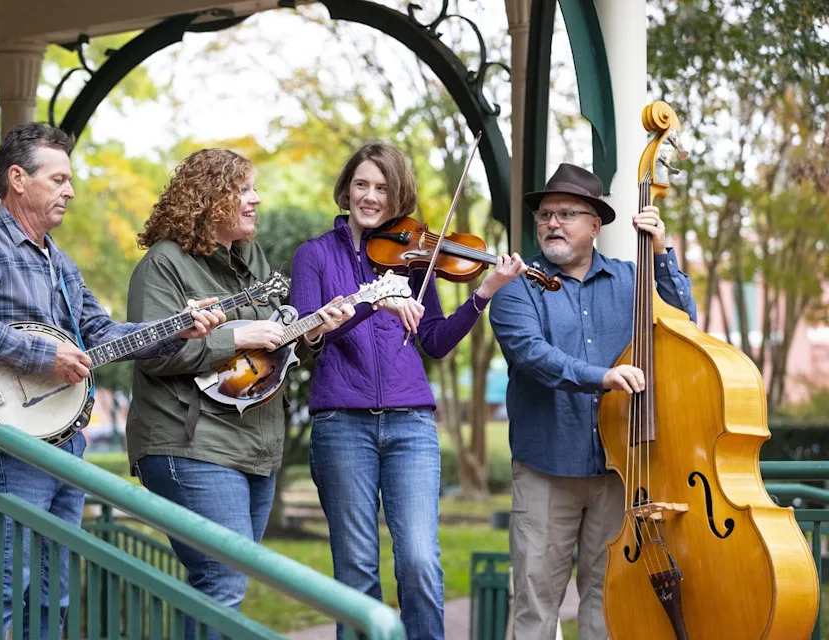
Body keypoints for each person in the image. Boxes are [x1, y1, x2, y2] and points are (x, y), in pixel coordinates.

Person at [0, 122, 223, 639]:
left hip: (68, 443)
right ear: (18, 178)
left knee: (52, 593)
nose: (70, 190)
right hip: (12, 446)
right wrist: (41, 355)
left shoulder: (62, 264)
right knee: (4, 585)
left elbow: (103, 333)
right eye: (59, 179)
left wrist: (180, 326)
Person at [289, 141, 527, 639]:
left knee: (419, 560)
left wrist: (483, 293)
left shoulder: (416, 259)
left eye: (382, 187)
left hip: (411, 423)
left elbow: (436, 342)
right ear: (346, 188)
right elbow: (311, 332)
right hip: (342, 422)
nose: (369, 196)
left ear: (398, 195)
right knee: (355, 569)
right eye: (361, 184)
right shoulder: (313, 255)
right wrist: (374, 301)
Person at [125, 147, 354, 638]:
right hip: (188, 443)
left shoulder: (251, 259)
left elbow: (271, 344)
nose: (256, 199)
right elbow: (150, 350)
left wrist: (310, 332)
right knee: (222, 578)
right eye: (244, 189)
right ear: (211, 198)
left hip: (253, 445)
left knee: (226, 580)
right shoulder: (164, 264)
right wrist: (236, 334)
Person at [488, 162, 698, 640]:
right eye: (544, 215)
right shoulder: (516, 286)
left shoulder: (632, 280)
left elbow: (685, 326)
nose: (551, 224)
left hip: (618, 471)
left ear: (595, 225)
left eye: (565, 213)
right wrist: (602, 377)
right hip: (546, 468)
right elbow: (531, 355)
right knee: (535, 604)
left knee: (608, 605)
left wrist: (662, 253)